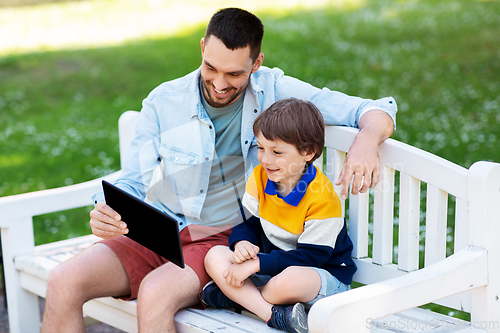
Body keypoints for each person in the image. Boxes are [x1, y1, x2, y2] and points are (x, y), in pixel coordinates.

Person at [41, 7, 396, 333]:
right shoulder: (165, 101)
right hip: (158, 228)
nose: (220, 83)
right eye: (211, 67)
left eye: (234, 73)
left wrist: (366, 141)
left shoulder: (277, 91)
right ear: (201, 48)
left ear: (256, 63)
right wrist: (108, 212)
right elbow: (132, 179)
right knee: (63, 281)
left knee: (155, 292)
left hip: (220, 241)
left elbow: (375, 109)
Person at [203, 98, 356, 333]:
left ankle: (236, 298)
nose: (265, 159)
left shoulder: (322, 197)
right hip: (270, 269)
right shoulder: (260, 176)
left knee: (289, 281)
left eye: (276, 152)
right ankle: (274, 315)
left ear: (308, 152)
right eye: (261, 148)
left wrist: (257, 264)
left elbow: (310, 258)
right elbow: (247, 222)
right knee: (215, 255)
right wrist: (243, 243)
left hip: (320, 276)